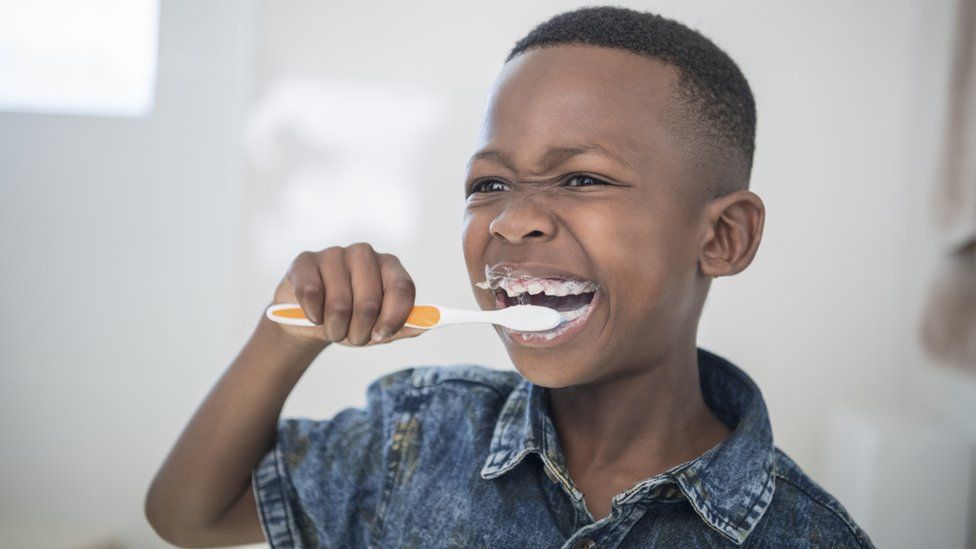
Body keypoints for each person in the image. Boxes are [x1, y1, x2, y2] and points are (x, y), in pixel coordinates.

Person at [145, 6, 875, 548]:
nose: (511, 220)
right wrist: (288, 333)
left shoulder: (809, 537)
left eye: (583, 177)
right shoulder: (417, 436)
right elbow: (189, 514)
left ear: (722, 236)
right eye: (489, 184)